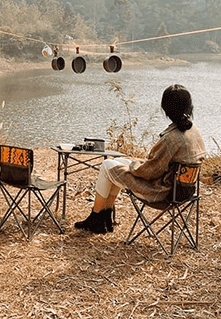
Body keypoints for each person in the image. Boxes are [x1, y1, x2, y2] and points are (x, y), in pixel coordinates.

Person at [74, 84, 207, 234]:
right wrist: (132, 163)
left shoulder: (171, 138)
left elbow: (150, 171)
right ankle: (106, 216)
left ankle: (96, 217)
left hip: (162, 193)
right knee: (121, 162)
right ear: (189, 106)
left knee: (106, 165)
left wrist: (134, 165)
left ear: (165, 108)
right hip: (184, 191)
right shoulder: (194, 131)